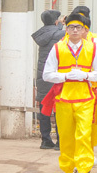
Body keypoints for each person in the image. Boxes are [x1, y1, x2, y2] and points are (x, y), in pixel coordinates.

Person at [42, 12, 97, 173]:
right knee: (65, 137)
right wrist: (65, 76)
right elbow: (46, 74)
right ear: (66, 29)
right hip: (63, 98)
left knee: (84, 135)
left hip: (86, 98)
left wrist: (86, 75)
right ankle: (68, 167)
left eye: (78, 27)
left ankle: (83, 167)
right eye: (71, 27)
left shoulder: (94, 48)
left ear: (83, 30)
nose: (74, 31)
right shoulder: (58, 48)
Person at [33, 10, 65, 149]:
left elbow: (52, 32)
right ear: (56, 21)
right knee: (59, 108)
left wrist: (59, 25)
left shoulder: (41, 33)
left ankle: (45, 140)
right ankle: (59, 141)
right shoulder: (60, 34)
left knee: (44, 109)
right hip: (56, 75)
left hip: (42, 76)